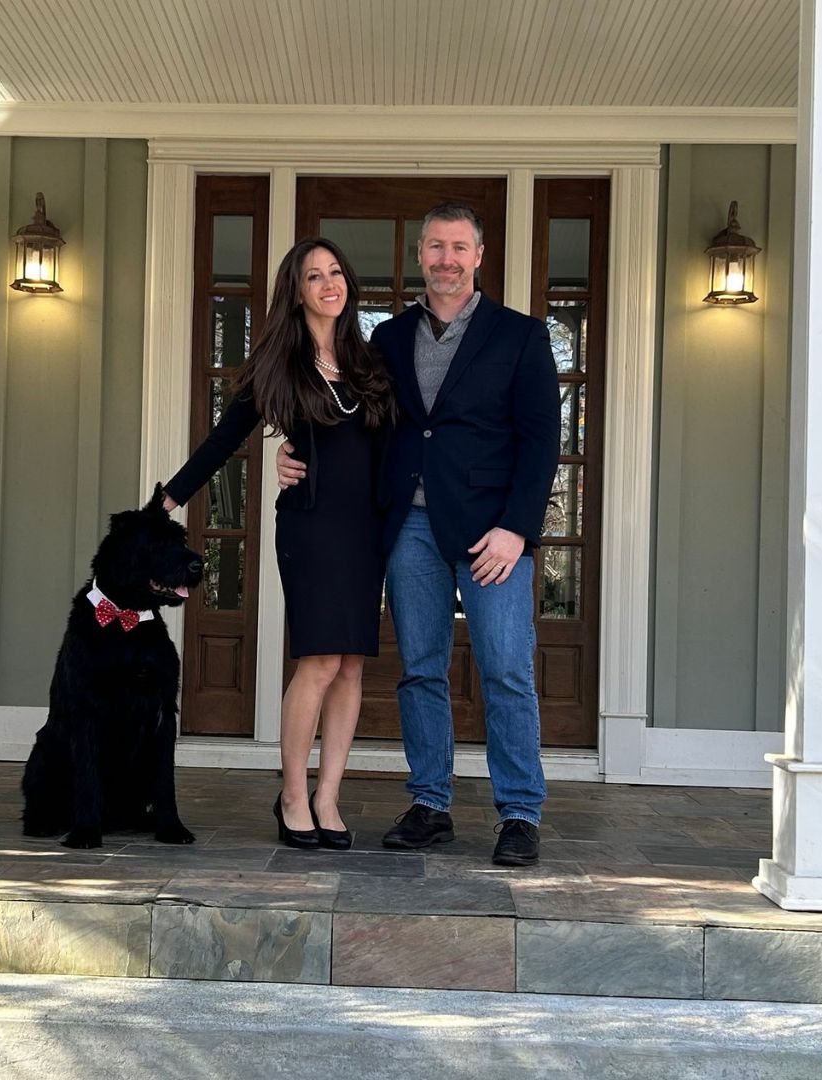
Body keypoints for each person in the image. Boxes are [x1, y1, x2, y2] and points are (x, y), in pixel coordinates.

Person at [277, 202, 557, 866]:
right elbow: (353, 420)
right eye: (435, 247)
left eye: (459, 247)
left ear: (479, 256)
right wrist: (296, 454)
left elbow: (543, 440)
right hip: (410, 528)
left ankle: (519, 811)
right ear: (420, 257)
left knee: (505, 669)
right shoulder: (389, 340)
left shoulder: (521, 336)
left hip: (493, 535)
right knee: (420, 670)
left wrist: (517, 529)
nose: (446, 260)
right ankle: (430, 802)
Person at [162, 237, 395, 851]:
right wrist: (167, 500)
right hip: (311, 527)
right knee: (318, 660)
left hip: (366, 529)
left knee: (350, 665)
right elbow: (222, 440)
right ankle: (293, 792)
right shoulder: (278, 364)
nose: (329, 284)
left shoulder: (370, 363)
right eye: (314, 276)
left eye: (336, 272)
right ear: (296, 291)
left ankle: (328, 796)